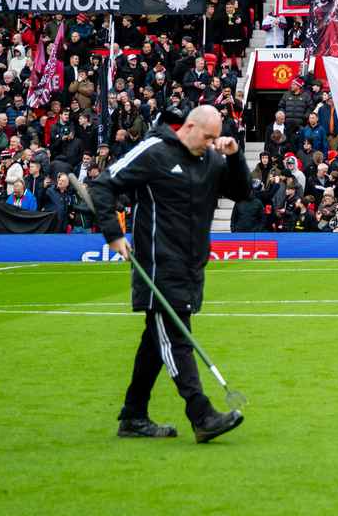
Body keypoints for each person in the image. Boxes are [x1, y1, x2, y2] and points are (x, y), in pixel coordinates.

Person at [90, 105, 252, 443]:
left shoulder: (210, 158)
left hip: (193, 266)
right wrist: (113, 234)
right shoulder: (154, 151)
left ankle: (133, 415)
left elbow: (242, 193)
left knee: (156, 342)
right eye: (207, 137)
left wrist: (235, 157)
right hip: (157, 265)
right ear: (189, 126)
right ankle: (201, 414)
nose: (210, 144)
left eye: (214, 138)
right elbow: (103, 186)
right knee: (177, 340)